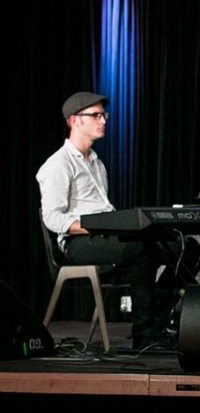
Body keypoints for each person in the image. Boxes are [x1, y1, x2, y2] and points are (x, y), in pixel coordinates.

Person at [36, 91, 191, 349]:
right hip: (78, 244)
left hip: (105, 235)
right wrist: (94, 227)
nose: (103, 120)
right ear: (75, 121)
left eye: (103, 115)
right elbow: (52, 217)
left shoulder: (97, 164)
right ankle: (145, 335)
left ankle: (156, 318)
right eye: (96, 115)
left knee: (182, 245)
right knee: (140, 249)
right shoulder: (58, 165)